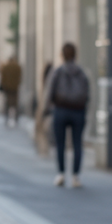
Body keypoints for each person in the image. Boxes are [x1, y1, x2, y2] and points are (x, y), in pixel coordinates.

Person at [41, 42, 91, 188]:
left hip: (61, 109)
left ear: (62, 54)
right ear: (75, 55)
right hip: (78, 110)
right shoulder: (82, 72)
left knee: (60, 144)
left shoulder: (58, 71)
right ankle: (76, 176)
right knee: (77, 144)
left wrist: (45, 109)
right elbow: (87, 94)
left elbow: (49, 91)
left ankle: (61, 174)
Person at [0, 54, 22, 127]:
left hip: (7, 88)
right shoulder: (17, 67)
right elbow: (20, 77)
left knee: (7, 104)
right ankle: (16, 118)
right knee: (15, 104)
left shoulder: (5, 67)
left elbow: (3, 77)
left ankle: (7, 117)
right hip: (15, 88)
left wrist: (3, 85)